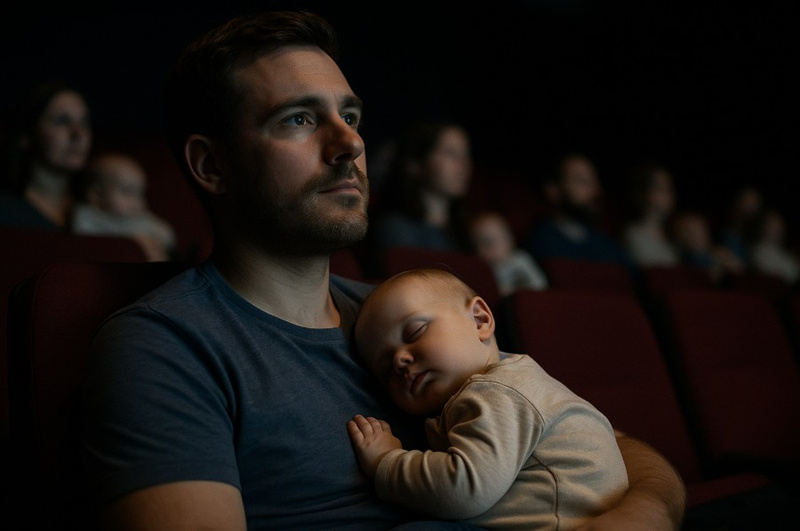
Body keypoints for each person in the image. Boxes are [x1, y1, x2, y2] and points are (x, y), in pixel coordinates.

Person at [80, 10, 685, 530]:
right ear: (211, 166)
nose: (349, 144)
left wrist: (647, 511)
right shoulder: (166, 347)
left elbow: (596, 439)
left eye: (351, 115)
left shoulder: (403, 317)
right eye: (298, 118)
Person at [348, 268, 628, 529]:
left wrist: (386, 461)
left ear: (480, 320)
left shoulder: (497, 392)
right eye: (386, 370)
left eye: (415, 332)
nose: (399, 360)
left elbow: (464, 489)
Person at [370, 119, 475, 254]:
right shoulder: (396, 228)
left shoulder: (467, 232)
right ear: (415, 164)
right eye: (451, 153)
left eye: (466, 154)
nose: (464, 164)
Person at [0, 80, 92, 229]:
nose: (78, 133)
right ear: (27, 134)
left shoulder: (101, 210)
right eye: (62, 121)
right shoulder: (6, 211)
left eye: (84, 122)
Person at [524, 153, 634, 269]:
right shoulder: (542, 242)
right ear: (553, 190)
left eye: (594, 181)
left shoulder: (605, 243)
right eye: (582, 181)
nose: (596, 191)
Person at [71, 151, 177, 261]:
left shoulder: (141, 219)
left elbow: (166, 236)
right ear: (96, 195)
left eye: (140, 193)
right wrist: (131, 244)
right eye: (127, 191)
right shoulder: (87, 216)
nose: (137, 201)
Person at [469, 210, 548, 296]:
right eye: (479, 244)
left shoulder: (519, 259)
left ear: (509, 240)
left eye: (490, 242)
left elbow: (539, 284)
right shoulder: (483, 270)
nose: (485, 249)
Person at [621, 163, 680, 267]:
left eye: (669, 188)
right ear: (643, 192)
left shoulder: (675, 236)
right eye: (659, 188)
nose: (667, 194)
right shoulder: (632, 235)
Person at [670, 209, 744, 284]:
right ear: (679, 236)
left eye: (699, 228)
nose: (697, 234)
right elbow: (714, 275)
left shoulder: (721, 250)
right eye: (689, 230)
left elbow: (739, 270)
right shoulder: (689, 259)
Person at [746, 206, 800, 286]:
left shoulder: (785, 252)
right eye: (772, 225)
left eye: (779, 225)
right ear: (763, 226)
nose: (776, 228)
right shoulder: (758, 250)